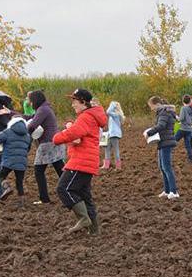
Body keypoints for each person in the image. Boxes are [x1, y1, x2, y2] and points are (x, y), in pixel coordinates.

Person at [52, 88, 107, 235]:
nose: (72, 104)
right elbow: (78, 131)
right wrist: (71, 123)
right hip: (88, 162)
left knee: (63, 189)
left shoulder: (86, 117)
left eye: (74, 101)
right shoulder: (90, 116)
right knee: (84, 195)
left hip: (81, 161)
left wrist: (56, 138)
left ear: (83, 101)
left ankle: (83, 218)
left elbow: (74, 133)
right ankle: (94, 229)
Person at [19, 90, 65, 203]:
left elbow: (32, 125)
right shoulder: (45, 108)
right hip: (54, 142)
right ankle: (73, 190)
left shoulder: (42, 110)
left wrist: (21, 134)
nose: (29, 102)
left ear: (35, 100)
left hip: (47, 143)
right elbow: (29, 117)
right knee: (60, 169)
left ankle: (44, 199)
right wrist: (11, 113)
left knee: (39, 171)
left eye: (30, 100)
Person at [0, 117, 32, 207]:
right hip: (22, 162)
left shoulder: (8, 132)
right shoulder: (27, 135)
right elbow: (28, 148)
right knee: (19, 182)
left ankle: (7, 187)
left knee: (1, 176)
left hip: (9, 160)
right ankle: (21, 203)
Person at [144, 96, 179, 199]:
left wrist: (149, 133)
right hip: (163, 142)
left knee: (167, 167)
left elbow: (161, 126)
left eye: (151, 106)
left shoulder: (164, 112)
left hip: (166, 142)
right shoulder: (163, 112)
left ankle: (174, 191)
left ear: (157, 104)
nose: (151, 109)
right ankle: (167, 191)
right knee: (162, 167)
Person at [175, 95, 192, 163]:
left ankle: (167, 152)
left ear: (183, 101)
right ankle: (190, 159)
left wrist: (176, 117)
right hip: (189, 129)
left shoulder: (183, 108)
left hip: (183, 129)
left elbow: (181, 119)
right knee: (188, 146)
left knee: (173, 140)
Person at [103, 101, 124, 169]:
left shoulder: (116, 115)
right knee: (107, 149)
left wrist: (112, 104)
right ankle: (106, 166)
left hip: (114, 134)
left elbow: (108, 111)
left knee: (116, 150)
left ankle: (118, 167)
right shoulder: (114, 115)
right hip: (110, 134)